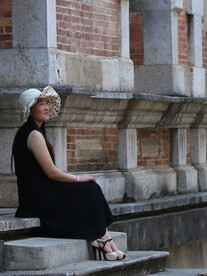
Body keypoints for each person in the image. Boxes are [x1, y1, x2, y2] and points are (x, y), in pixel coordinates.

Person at [14, 86, 125, 260]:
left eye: (46, 103)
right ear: (29, 110)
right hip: (37, 197)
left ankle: (104, 238)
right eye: (40, 104)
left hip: (38, 192)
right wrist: (79, 178)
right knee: (89, 189)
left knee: (89, 190)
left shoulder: (33, 133)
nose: (46, 107)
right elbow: (51, 172)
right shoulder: (33, 135)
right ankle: (104, 238)